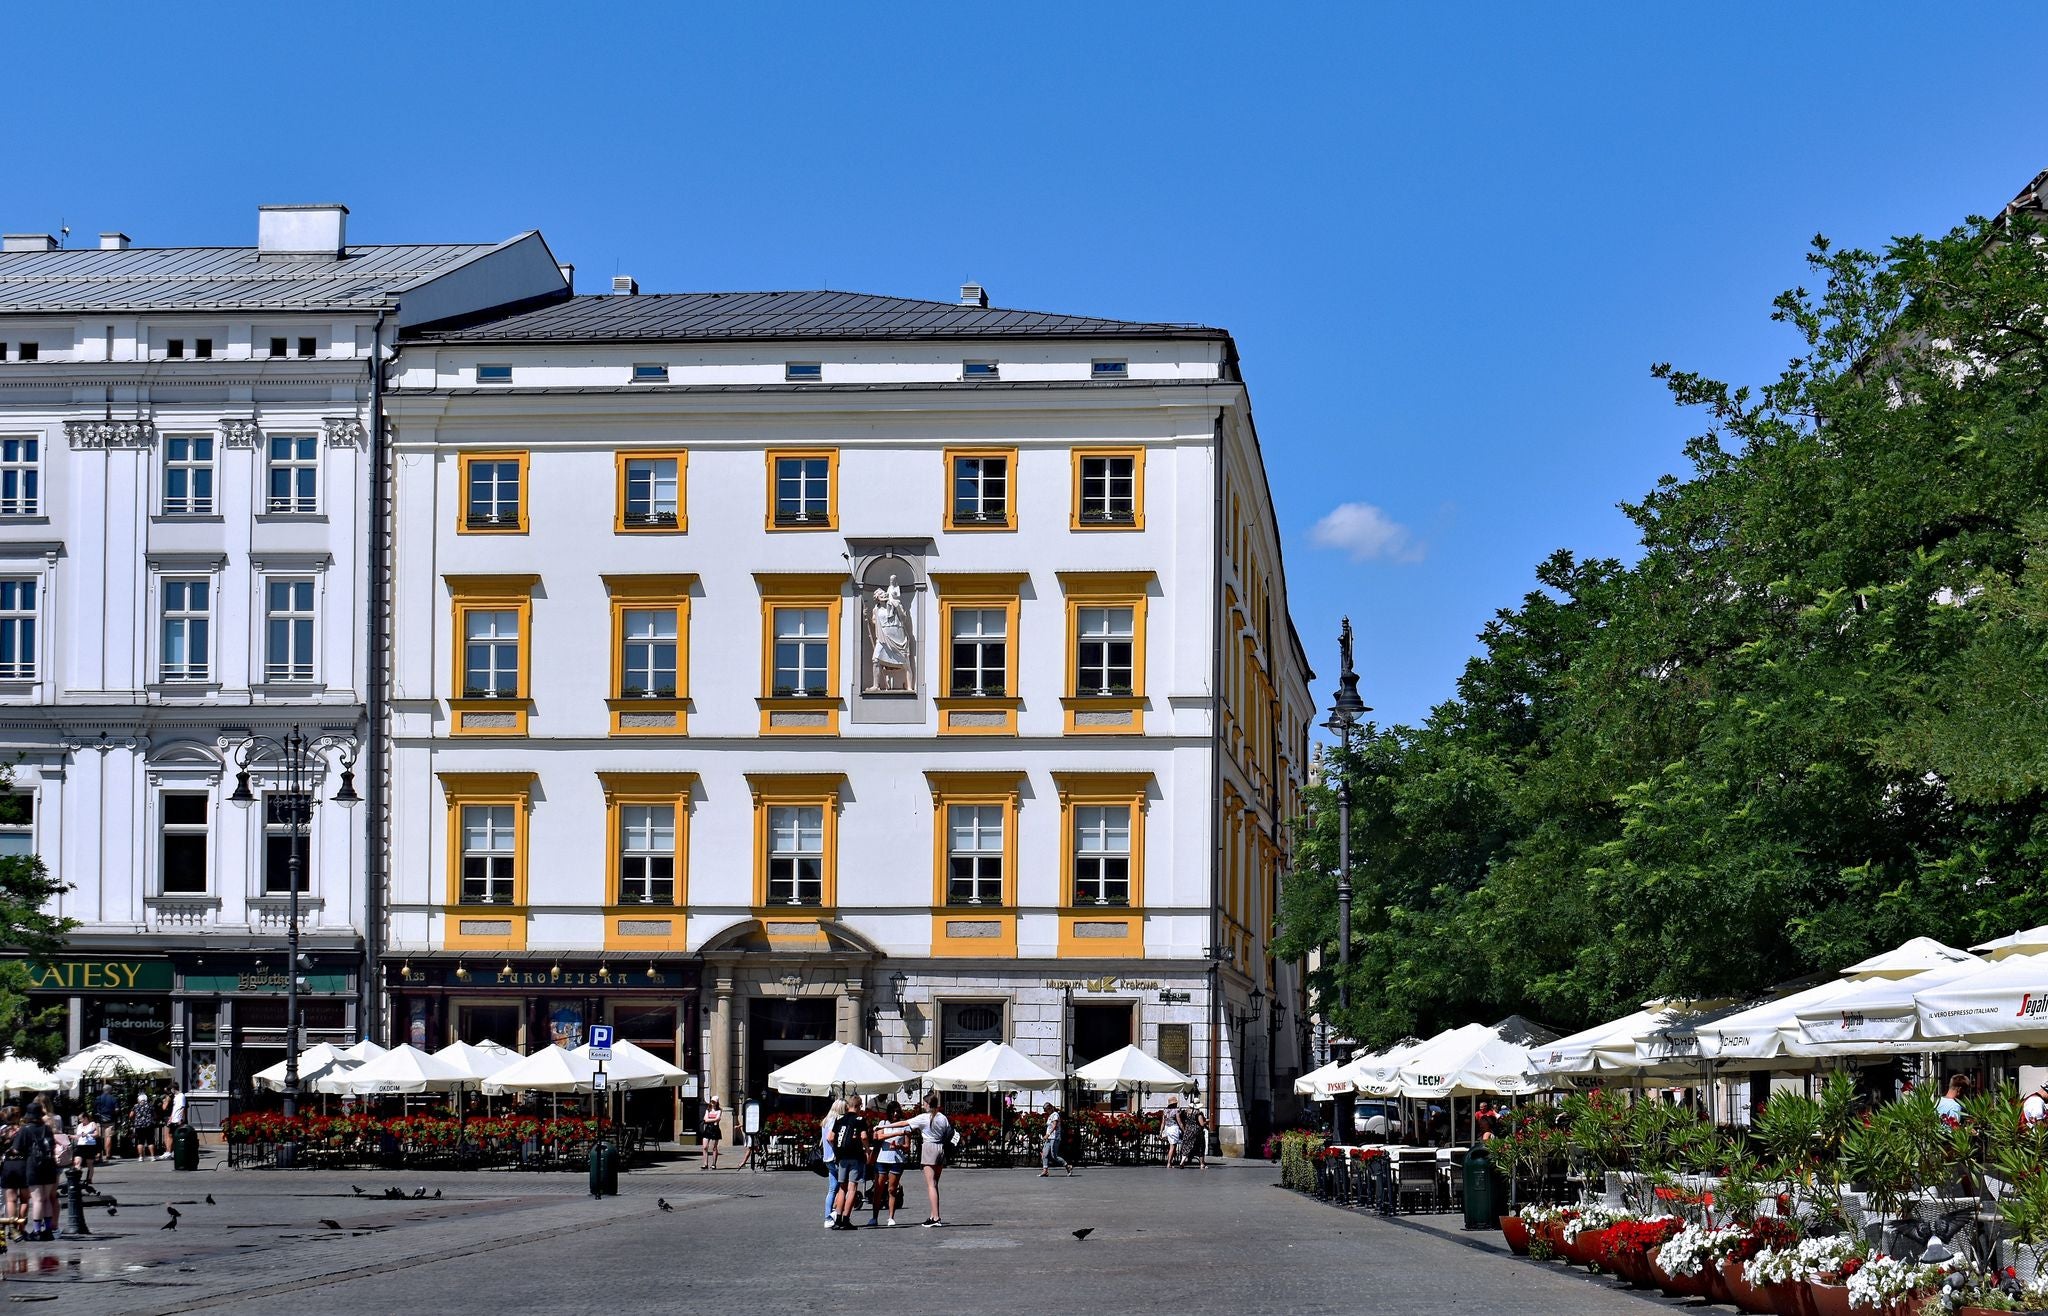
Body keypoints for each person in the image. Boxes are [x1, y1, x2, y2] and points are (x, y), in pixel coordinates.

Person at [878, 1094, 953, 1227]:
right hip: (941, 1148)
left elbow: (903, 1123)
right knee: (935, 1184)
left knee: (931, 1184)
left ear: (928, 1104)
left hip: (929, 1147)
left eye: (924, 1103)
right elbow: (948, 1131)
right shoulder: (942, 1117)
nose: (923, 1105)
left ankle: (936, 1217)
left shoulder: (924, 1117)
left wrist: (880, 1128)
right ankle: (933, 1214)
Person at [9, 1103, 57, 1241]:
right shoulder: (47, 1129)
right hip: (49, 1165)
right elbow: (52, 1146)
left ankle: (36, 1231)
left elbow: (17, 1149)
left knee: (37, 1199)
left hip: (33, 1166)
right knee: (46, 1198)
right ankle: (48, 1230)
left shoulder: (25, 1130)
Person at [828, 1096, 869, 1230]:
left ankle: (838, 1219)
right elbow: (863, 1136)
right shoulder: (860, 1120)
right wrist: (867, 1149)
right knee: (852, 1188)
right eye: (860, 1106)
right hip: (855, 1156)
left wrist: (836, 1151)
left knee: (842, 1188)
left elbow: (830, 1138)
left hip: (842, 1157)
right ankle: (846, 1219)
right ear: (857, 1106)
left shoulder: (839, 1119)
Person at [871, 1101, 908, 1225]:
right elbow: (879, 1137)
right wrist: (896, 1133)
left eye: (897, 1111)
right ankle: (874, 1217)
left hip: (896, 1159)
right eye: (893, 1112)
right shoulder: (883, 1123)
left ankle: (891, 1217)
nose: (895, 1114)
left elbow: (907, 1146)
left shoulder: (904, 1125)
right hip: (882, 1158)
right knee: (878, 1188)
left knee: (892, 1189)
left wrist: (899, 1146)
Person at [820, 1098, 846, 1228]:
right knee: (844, 1187)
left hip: (827, 1158)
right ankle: (836, 1213)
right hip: (836, 1158)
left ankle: (827, 1216)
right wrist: (838, 1151)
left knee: (832, 1189)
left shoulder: (825, 1121)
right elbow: (831, 1139)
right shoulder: (835, 1122)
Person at [1038, 1103, 1072, 1177]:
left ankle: (1067, 1166)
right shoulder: (1050, 1116)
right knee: (1044, 1154)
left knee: (1054, 1156)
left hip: (1054, 1138)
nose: (1046, 1111)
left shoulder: (1055, 1114)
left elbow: (1054, 1125)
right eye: (1045, 1110)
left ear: (1050, 1108)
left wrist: (1048, 1134)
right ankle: (1045, 1171)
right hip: (1049, 1138)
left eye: (1046, 1109)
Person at [72, 1113, 101, 1187]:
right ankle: (77, 1179)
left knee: (89, 1163)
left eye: (81, 1119)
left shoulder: (92, 1124)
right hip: (80, 1145)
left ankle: (89, 1179)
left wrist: (88, 1135)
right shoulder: (79, 1126)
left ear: (86, 1118)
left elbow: (97, 1134)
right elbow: (78, 1136)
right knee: (77, 1162)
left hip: (90, 1146)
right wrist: (71, 1136)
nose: (80, 1120)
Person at [131, 1091, 159, 1161]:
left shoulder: (136, 1106)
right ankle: (152, 1156)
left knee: (140, 1141)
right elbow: (155, 1115)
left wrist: (135, 1119)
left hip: (139, 1126)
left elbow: (131, 1115)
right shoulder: (150, 1106)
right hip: (149, 1125)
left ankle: (140, 1157)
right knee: (150, 1141)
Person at [699, 1097, 723, 1170]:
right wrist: (715, 1119)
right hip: (708, 1129)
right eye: (712, 1101)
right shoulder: (708, 1109)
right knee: (705, 1147)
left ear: (717, 1102)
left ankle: (713, 1164)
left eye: (714, 1102)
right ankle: (705, 1164)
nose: (712, 1103)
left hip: (715, 1129)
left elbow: (717, 1118)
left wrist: (710, 1119)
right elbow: (705, 1119)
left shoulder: (719, 1110)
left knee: (714, 1147)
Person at [1162, 1096, 1184, 1167]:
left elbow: (1163, 1122)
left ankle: (1171, 1162)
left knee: (1173, 1146)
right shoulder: (1176, 1111)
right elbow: (1179, 1122)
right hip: (1173, 1128)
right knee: (1172, 1146)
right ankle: (1169, 1163)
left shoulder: (1165, 1111)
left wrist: (1160, 1132)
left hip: (1167, 1128)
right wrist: (1184, 1130)